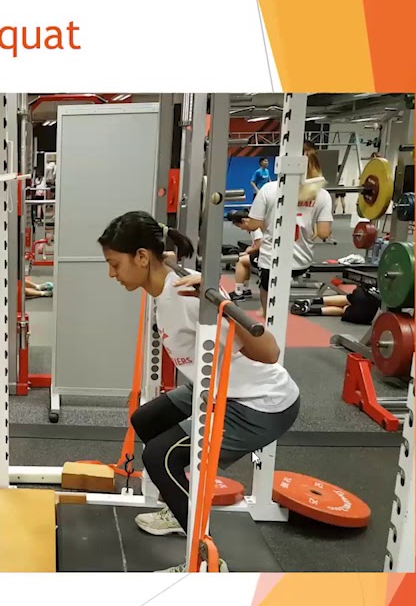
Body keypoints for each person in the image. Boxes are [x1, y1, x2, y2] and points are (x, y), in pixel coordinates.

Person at [97, 211, 301, 572]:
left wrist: (223, 307)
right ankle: (180, 512)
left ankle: (206, 563)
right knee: (147, 420)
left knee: (160, 457)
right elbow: (168, 262)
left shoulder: (188, 298)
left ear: (142, 257)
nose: (111, 274)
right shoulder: (165, 280)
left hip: (258, 403)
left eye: (115, 264)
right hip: (218, 390)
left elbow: (270, 353)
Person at [244, 139, 334, 309]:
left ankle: (266, 313)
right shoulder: (323, 195)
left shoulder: (269, 189)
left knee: (256, 273)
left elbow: (253, 225)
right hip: (302, 263)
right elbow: (324, 233)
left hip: (271, 263)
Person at [291, 284, 381, 324]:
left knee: (348, 299)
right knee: (344, 309)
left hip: (365, 297)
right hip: (366, 316)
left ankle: (313, 301)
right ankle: (311, 310)